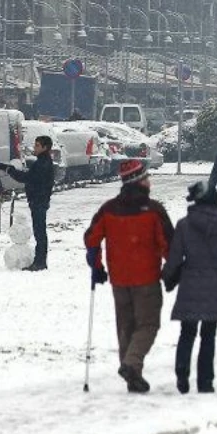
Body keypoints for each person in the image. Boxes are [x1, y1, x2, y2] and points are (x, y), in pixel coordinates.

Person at [83, 160, 174, 393]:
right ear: (139, 180)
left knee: (125, 326)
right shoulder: (153, 210)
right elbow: (168, 244)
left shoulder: (109, 209)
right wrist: (173, 268)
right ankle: (132, 364)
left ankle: (132, 375)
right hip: (146, 278)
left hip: (119, 279)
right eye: (147, 177)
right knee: (148, 324)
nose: (149, 181)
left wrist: (97, 266)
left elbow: (91, 239)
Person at [162, 180, 217, 394]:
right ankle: (205, 381)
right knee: (209, 335)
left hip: (190, 283)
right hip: (214, 285)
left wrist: (168, 278)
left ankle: (182, 373)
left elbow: (173, 258)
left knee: (187, 332)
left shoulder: (184, 225)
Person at [0, 135, 56, 271]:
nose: (34, 148)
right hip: (39, 200)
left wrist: (9, 170)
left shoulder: (43, 163)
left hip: (39, 201)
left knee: (39, 231)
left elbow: (27, 178)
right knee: (39, 230)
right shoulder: (42, 161)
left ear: (45, 147)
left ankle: (40, 262)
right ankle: (40, 260)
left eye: (37, 145)